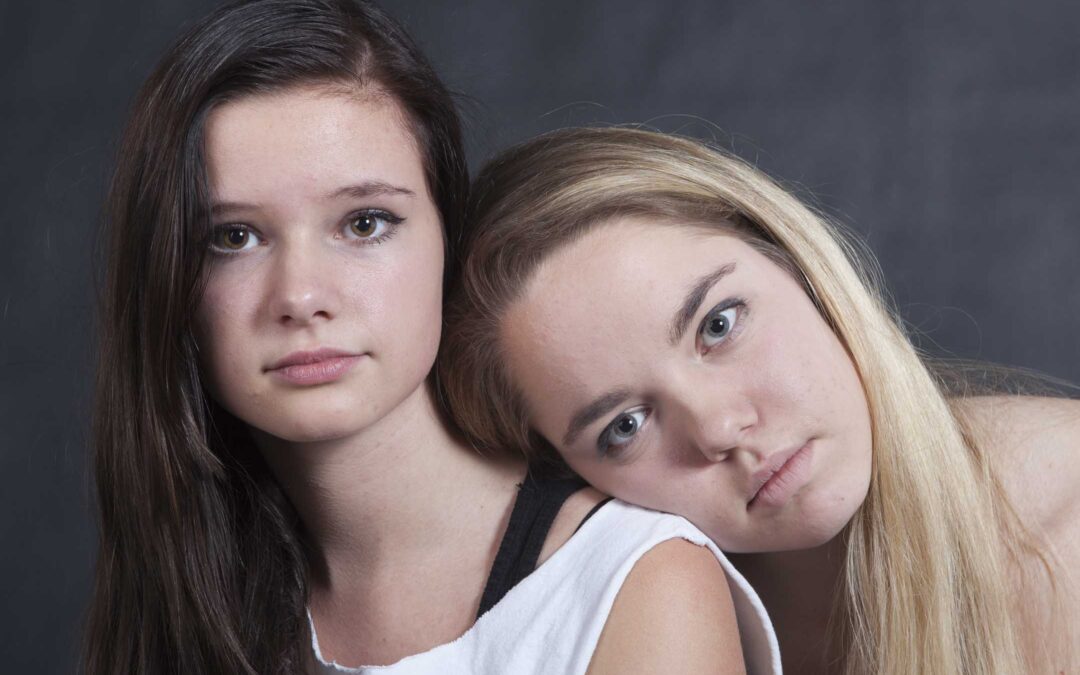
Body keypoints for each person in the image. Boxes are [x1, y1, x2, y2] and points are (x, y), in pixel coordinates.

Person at [83, 3, 773, 674]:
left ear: (449, 237)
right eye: (234, 237)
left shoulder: (630, 582)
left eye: (364, 223)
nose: (300, 296)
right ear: (164, 277)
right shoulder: (189, 586)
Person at [439, 126, 1080, 674]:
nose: (719, 428)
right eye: (625, 426)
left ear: (793, 259)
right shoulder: (641, 634)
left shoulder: (1065, 529)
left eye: (718, 325)